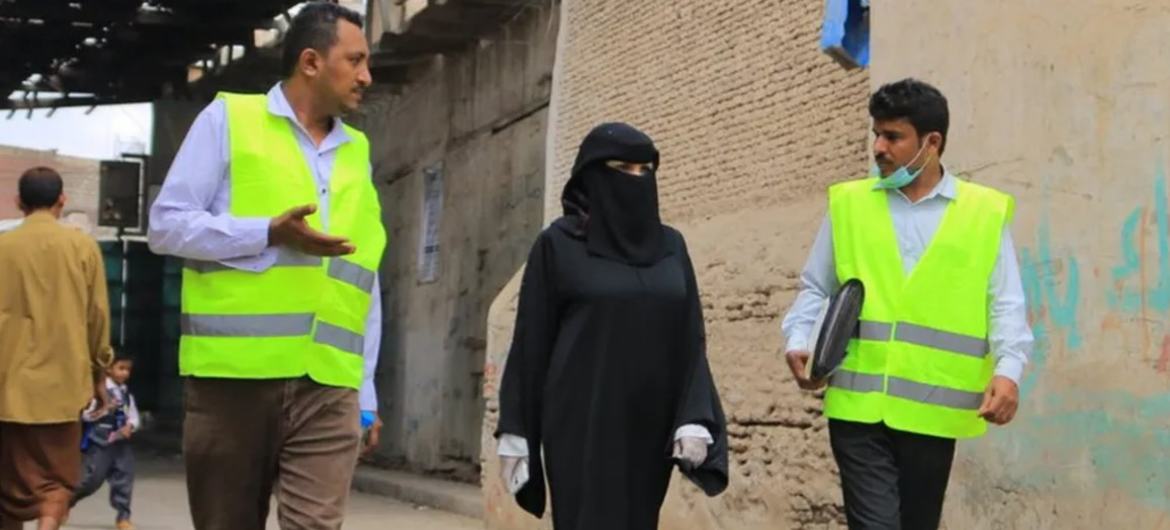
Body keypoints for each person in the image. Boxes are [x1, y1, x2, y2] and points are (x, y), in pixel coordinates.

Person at [146, 3, 384, 529]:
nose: (367, 76)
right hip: (233, 384)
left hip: (328, 388)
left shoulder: (357, 152)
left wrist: (364, 392)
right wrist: (265, 233)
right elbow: (165, 226)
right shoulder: (228, 120)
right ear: (311, 62)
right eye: (356, 60)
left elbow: (363, 273)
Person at [781, 78, 1033, 530]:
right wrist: (799, 339)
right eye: (876, 134)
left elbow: (1006, 301)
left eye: (892, 136)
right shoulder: (849, 204)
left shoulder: (983, 213)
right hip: (857, 411)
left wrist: (1009, 371)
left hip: (933, 412)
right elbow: (815, 286)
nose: (878, 147)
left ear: (931, 142)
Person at [495, 122, 729, 530]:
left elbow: (690, 338)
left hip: (648, 426)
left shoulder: (671, 246)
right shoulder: (559, 245)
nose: (637, 180)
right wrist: (517, 430)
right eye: (625, 168)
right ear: (594, 175)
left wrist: (694, 417)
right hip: (580, 423)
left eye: (646, 171)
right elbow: (530, 344)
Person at [0, 166, 113, 530]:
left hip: (6, 388)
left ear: (18, 202)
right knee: (58, 481)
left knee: (5, 485)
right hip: (62, 388)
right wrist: (100, 372)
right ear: (61, 201)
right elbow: (97, 316)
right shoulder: (81, 246)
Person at [72, 353, 139, 530]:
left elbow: (133, 416)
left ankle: (123, 517)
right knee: (90, 480)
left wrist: (130, 426)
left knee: (124, 478)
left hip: (121, 444)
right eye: (121, 368)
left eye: (128, 370)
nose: (125, 373)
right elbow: (85, 416)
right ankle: (66, 502)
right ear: (109, 369)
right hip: (100, 442)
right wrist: (101, 410)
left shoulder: (126, 394)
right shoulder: (98, 392)